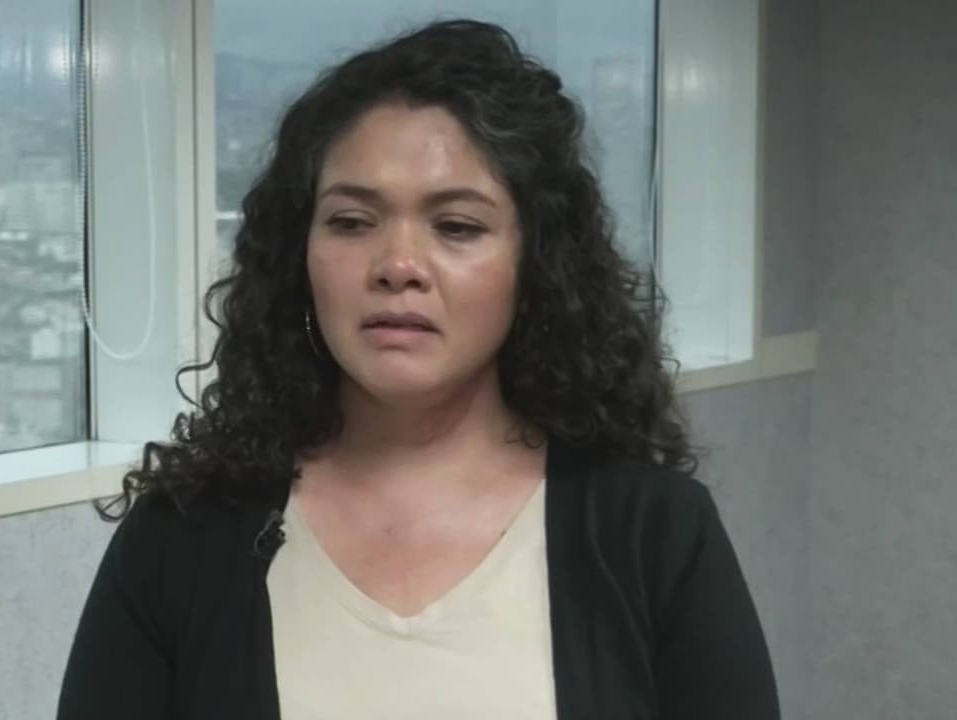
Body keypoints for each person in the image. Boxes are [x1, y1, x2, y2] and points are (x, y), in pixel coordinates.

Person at [57, 19, 779, 720]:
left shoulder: (653, 533)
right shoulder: (179, 540)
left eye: (456, 227)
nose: (398, 265)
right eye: (351, 222)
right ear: (299, 260)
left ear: (536, 270)